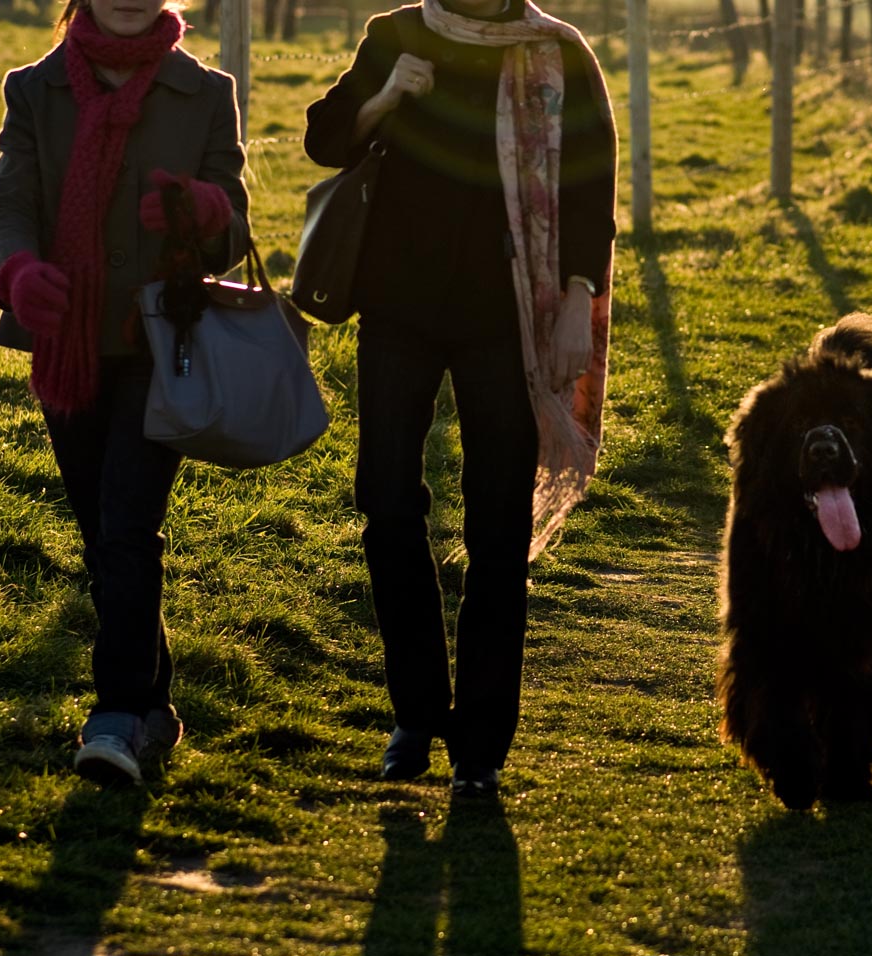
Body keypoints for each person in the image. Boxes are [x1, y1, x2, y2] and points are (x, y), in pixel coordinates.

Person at [303, 0, 616, 798]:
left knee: (499, 519)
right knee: (387, 501)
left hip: (509, 319)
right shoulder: (396, 35)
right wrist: (383, 99)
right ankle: (415, 711)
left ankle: (481, 741)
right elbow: (324, 139)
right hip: (398, 310)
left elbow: (589, 182)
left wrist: (581, 294)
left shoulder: (558, 52)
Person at [0, 0, 249, 785]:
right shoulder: (33, 88)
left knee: (128, 527)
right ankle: (156, 709)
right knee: (105, 535)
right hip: (67, 343)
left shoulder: (204, 90)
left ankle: (116, 717)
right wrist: (18, 270)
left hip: (161, 342)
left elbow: (233, 219)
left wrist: (204, 211)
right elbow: (11, 200)